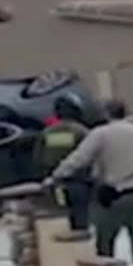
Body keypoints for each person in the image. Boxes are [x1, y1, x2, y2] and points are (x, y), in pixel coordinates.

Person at [45, 98, 133, 266]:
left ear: (106, 113)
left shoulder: (100, 134)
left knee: (105, 244)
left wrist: (55, 176)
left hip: (111, 196)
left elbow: (79, 159)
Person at [34, 93, 93, 236]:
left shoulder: (47, 133)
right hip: (79, 183)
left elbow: (38, 158)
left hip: (53, 183)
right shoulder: (82, 131)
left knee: (59, 223)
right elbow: (91, 157)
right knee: (81, 224)